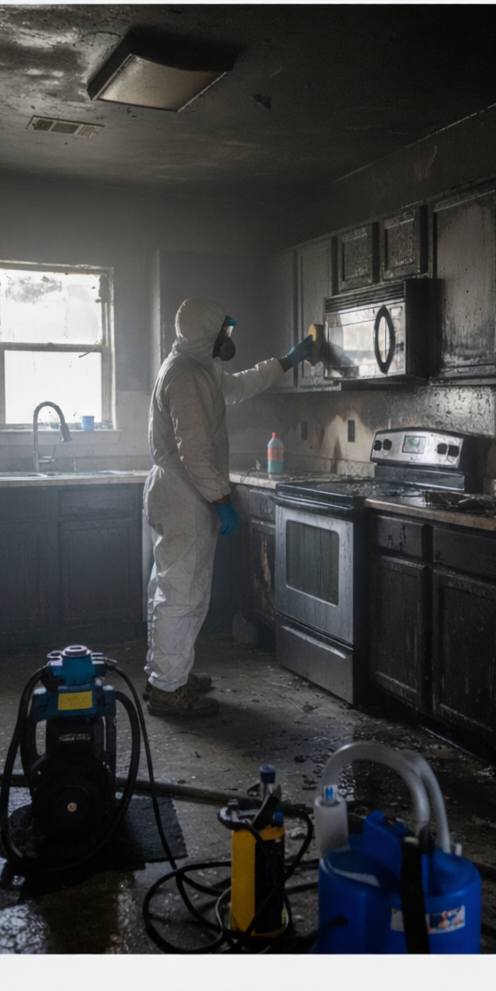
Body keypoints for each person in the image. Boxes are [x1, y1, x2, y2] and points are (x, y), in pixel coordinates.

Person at [144, 297, 314, 717]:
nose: (227, 338)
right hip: (186, 491)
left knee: (177, 589)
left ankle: (170, 675)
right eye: (223, 331)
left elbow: (239, 387)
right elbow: (196, 450)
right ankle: (167, 687)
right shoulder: (185, 376)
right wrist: (221, 501)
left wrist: (286, 361)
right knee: (181, 592)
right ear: (206, 332)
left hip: (185, 490)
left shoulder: (200, 368)